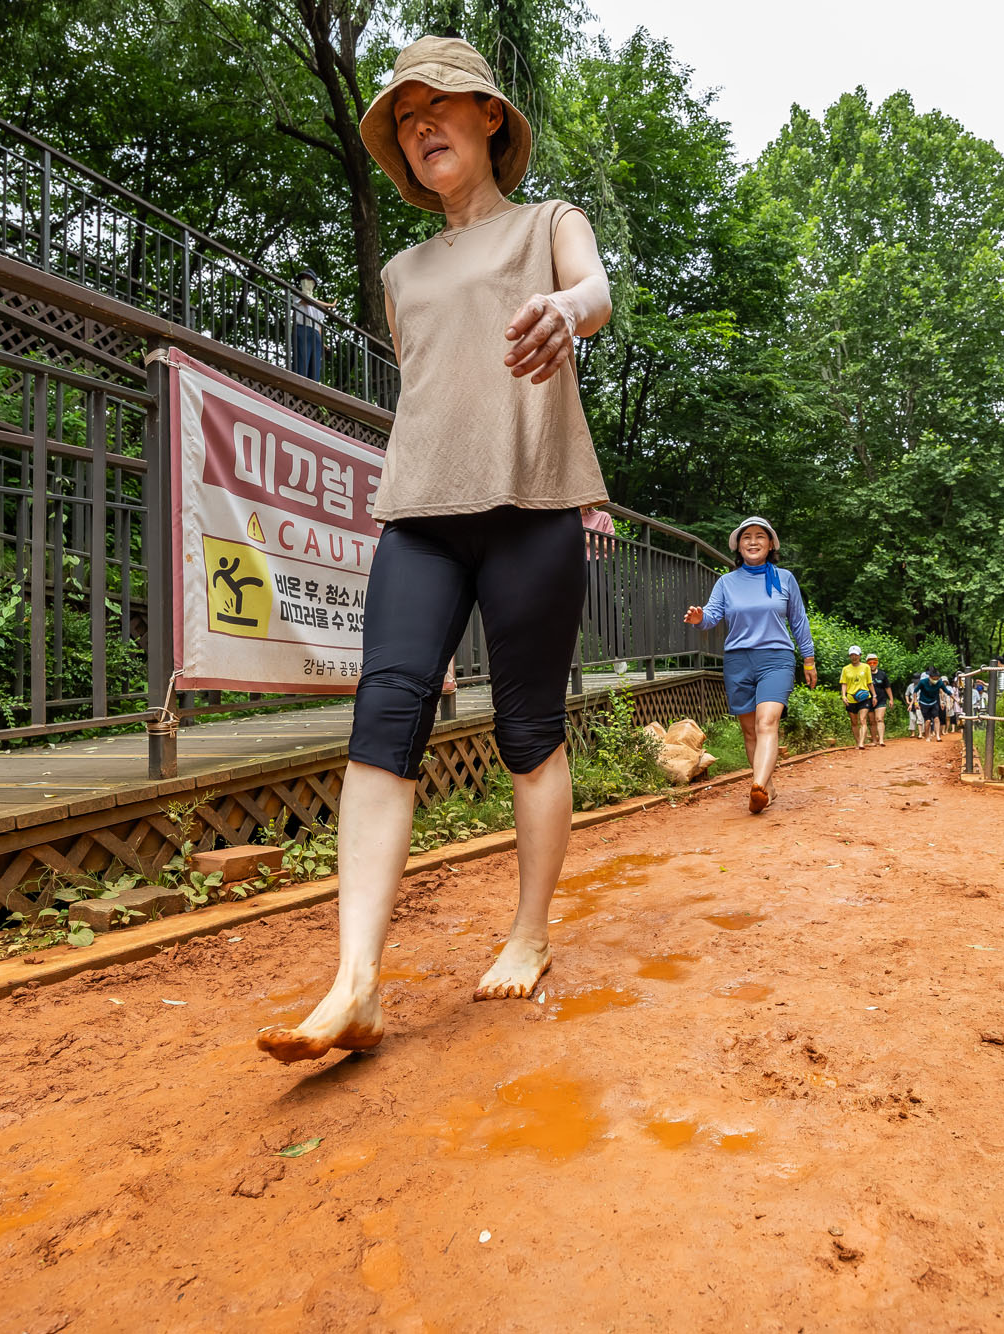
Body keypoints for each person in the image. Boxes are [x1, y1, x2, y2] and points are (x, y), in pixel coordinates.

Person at [259, 36, 613, 1062]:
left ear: (487, 118)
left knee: (525, 726)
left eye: (436, 105)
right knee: (385, 707)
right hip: (419, 515)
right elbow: (430, 390)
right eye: (400, 116)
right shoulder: (398, 271)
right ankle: (353, 979)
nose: (417, 126)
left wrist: (564, 308)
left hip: (530, 504)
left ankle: (529, 930)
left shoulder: (549, 224)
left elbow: (592, 293)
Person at [683, 516, 816, 814]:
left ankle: (756, 786)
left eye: (760, 536)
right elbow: (712, 616)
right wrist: (699, 618)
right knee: (749, 731)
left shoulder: (785, 579)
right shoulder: (726, 583)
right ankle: (767, 787)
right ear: (738, 546)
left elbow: (798, 620)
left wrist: (808, 659)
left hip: (776, 658)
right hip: (738, 661)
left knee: (766, 722)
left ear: (770, 545)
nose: (753, 541)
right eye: (747, 537)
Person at [292, 267, 333, 381]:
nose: (305, 281)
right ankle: (298, 390)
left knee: (314, 369)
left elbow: (318, 325)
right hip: (302, 330)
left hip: (315, 335)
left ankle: (311, 395)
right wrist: (329, 305)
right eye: (303, 278)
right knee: (301, 365)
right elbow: (307, 301)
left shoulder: (318, 306)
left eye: (309, 279)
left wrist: (324, 345)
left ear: (314, 283)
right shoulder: (297, 295)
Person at [839, 645, 874, 749]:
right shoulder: (845, 669)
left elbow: (869, 682)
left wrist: (874, 695)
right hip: (851, 698)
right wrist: (843, 696)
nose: (854, 657)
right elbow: (844, 683)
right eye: (852, 655)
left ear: (860, 655)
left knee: (863, 719)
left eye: (856, 655)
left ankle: (862, 743)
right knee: (854, 722)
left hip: (864, 696)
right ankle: (858, 741)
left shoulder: (866, 667)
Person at [864, 651, 894, 746]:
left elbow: (887, 687)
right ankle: (874, 740)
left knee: (879, 718)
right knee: (872, 721)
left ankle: (881, 739)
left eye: (874, 663)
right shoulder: (864, 674)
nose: (872, 665)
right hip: (868, 699)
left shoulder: (882, 674)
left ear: (877, 663)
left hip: (881, 699)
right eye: (870, 663)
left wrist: (891, 699)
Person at [913, 669, 946, 740]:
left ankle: (937, 736)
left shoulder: (937, 683)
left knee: (936, 718)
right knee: (927, 720)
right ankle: (926, 735)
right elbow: (914, 693)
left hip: (934, 702)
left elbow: (942, 692)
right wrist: (915, 703)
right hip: (922, 703)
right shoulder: (922, 682)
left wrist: (942, 702)